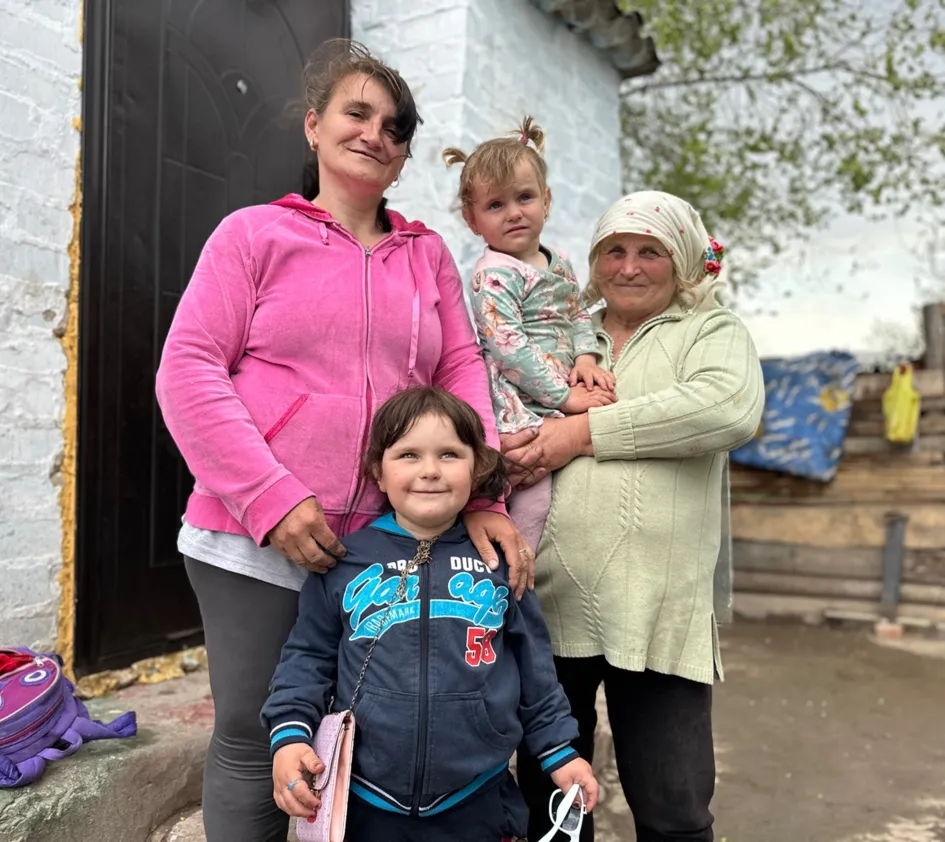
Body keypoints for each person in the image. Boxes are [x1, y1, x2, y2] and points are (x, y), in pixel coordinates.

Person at [154, 40, 534, 842]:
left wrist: (485, 495)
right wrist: (270, 497)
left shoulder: (425, 255)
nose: (375, 133)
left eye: (394, 127)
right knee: (259, 734)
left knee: (371, 735)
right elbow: (187, 369)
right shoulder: (252, 235)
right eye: (356, 113)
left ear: (402, 158)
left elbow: (462, 369)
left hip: (383, 541)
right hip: (248, 538)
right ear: (314, 126)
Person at [509, 191, 765, 842]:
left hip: (656, 611)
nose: (628, 266)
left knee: (672, 812)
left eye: (649, 251)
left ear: (679, 259)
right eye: (613, 251)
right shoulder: (565, 334)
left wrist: (579, 433)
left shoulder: (709, 330)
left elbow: (725, 409)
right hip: (546, 607)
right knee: (552, 810)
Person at [262, 387, 599, 842]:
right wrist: (289, 736)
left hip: (477, 796)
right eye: (408, 455)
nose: (430, 471)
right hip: (365, 798)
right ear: (377, 472)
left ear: (476, 468)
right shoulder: (345, 562)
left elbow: (535, 668)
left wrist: (560, 751)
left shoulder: (499, 561)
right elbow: (307, 658)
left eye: (449, 454)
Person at [442, 118, 616, 552]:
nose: (514, 212)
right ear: (472, 219)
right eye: (495, 205)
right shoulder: (493, 275)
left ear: (547, 200)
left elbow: (577, 313)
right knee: (531, 495)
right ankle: (513, 576)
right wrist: (565, 397)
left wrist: (586, 358)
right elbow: (508, 348)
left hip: (560, 386)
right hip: (522, 399)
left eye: (524, 197)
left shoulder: (558, 263)